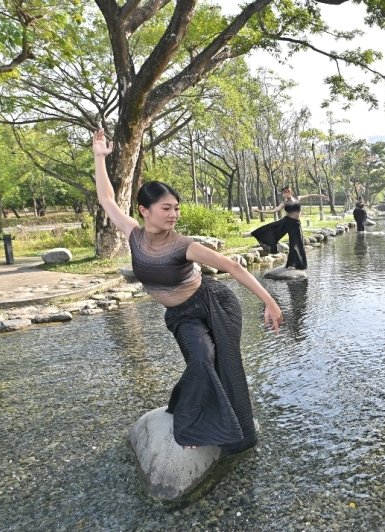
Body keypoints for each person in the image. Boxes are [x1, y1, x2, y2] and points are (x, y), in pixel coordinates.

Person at [91, 129, 283, 453]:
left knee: (225, 363)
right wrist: (99, 158)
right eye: (166, 208)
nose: (173, 214)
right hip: (181, 314)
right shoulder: (133, 235)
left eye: (176, 208)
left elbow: (232, 267)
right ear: (144, 210)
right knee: (201, 358)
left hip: (215, 303)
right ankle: (192, 418)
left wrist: (270, 302)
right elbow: (107, 199)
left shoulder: (184, 246)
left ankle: (236, 435)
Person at [250, 186, 328, 270]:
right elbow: (274, 210)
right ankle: (292, 264)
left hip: (297, 224)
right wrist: (260, 211)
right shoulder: (284, 203)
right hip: (288, 222)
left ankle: (300, 264)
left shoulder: (297, 198)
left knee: (300, 243)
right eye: (283, 193)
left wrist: (321, 196)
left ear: (290, 192)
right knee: (292, 242)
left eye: (286, 192)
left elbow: (310, 195)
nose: (285, 194)